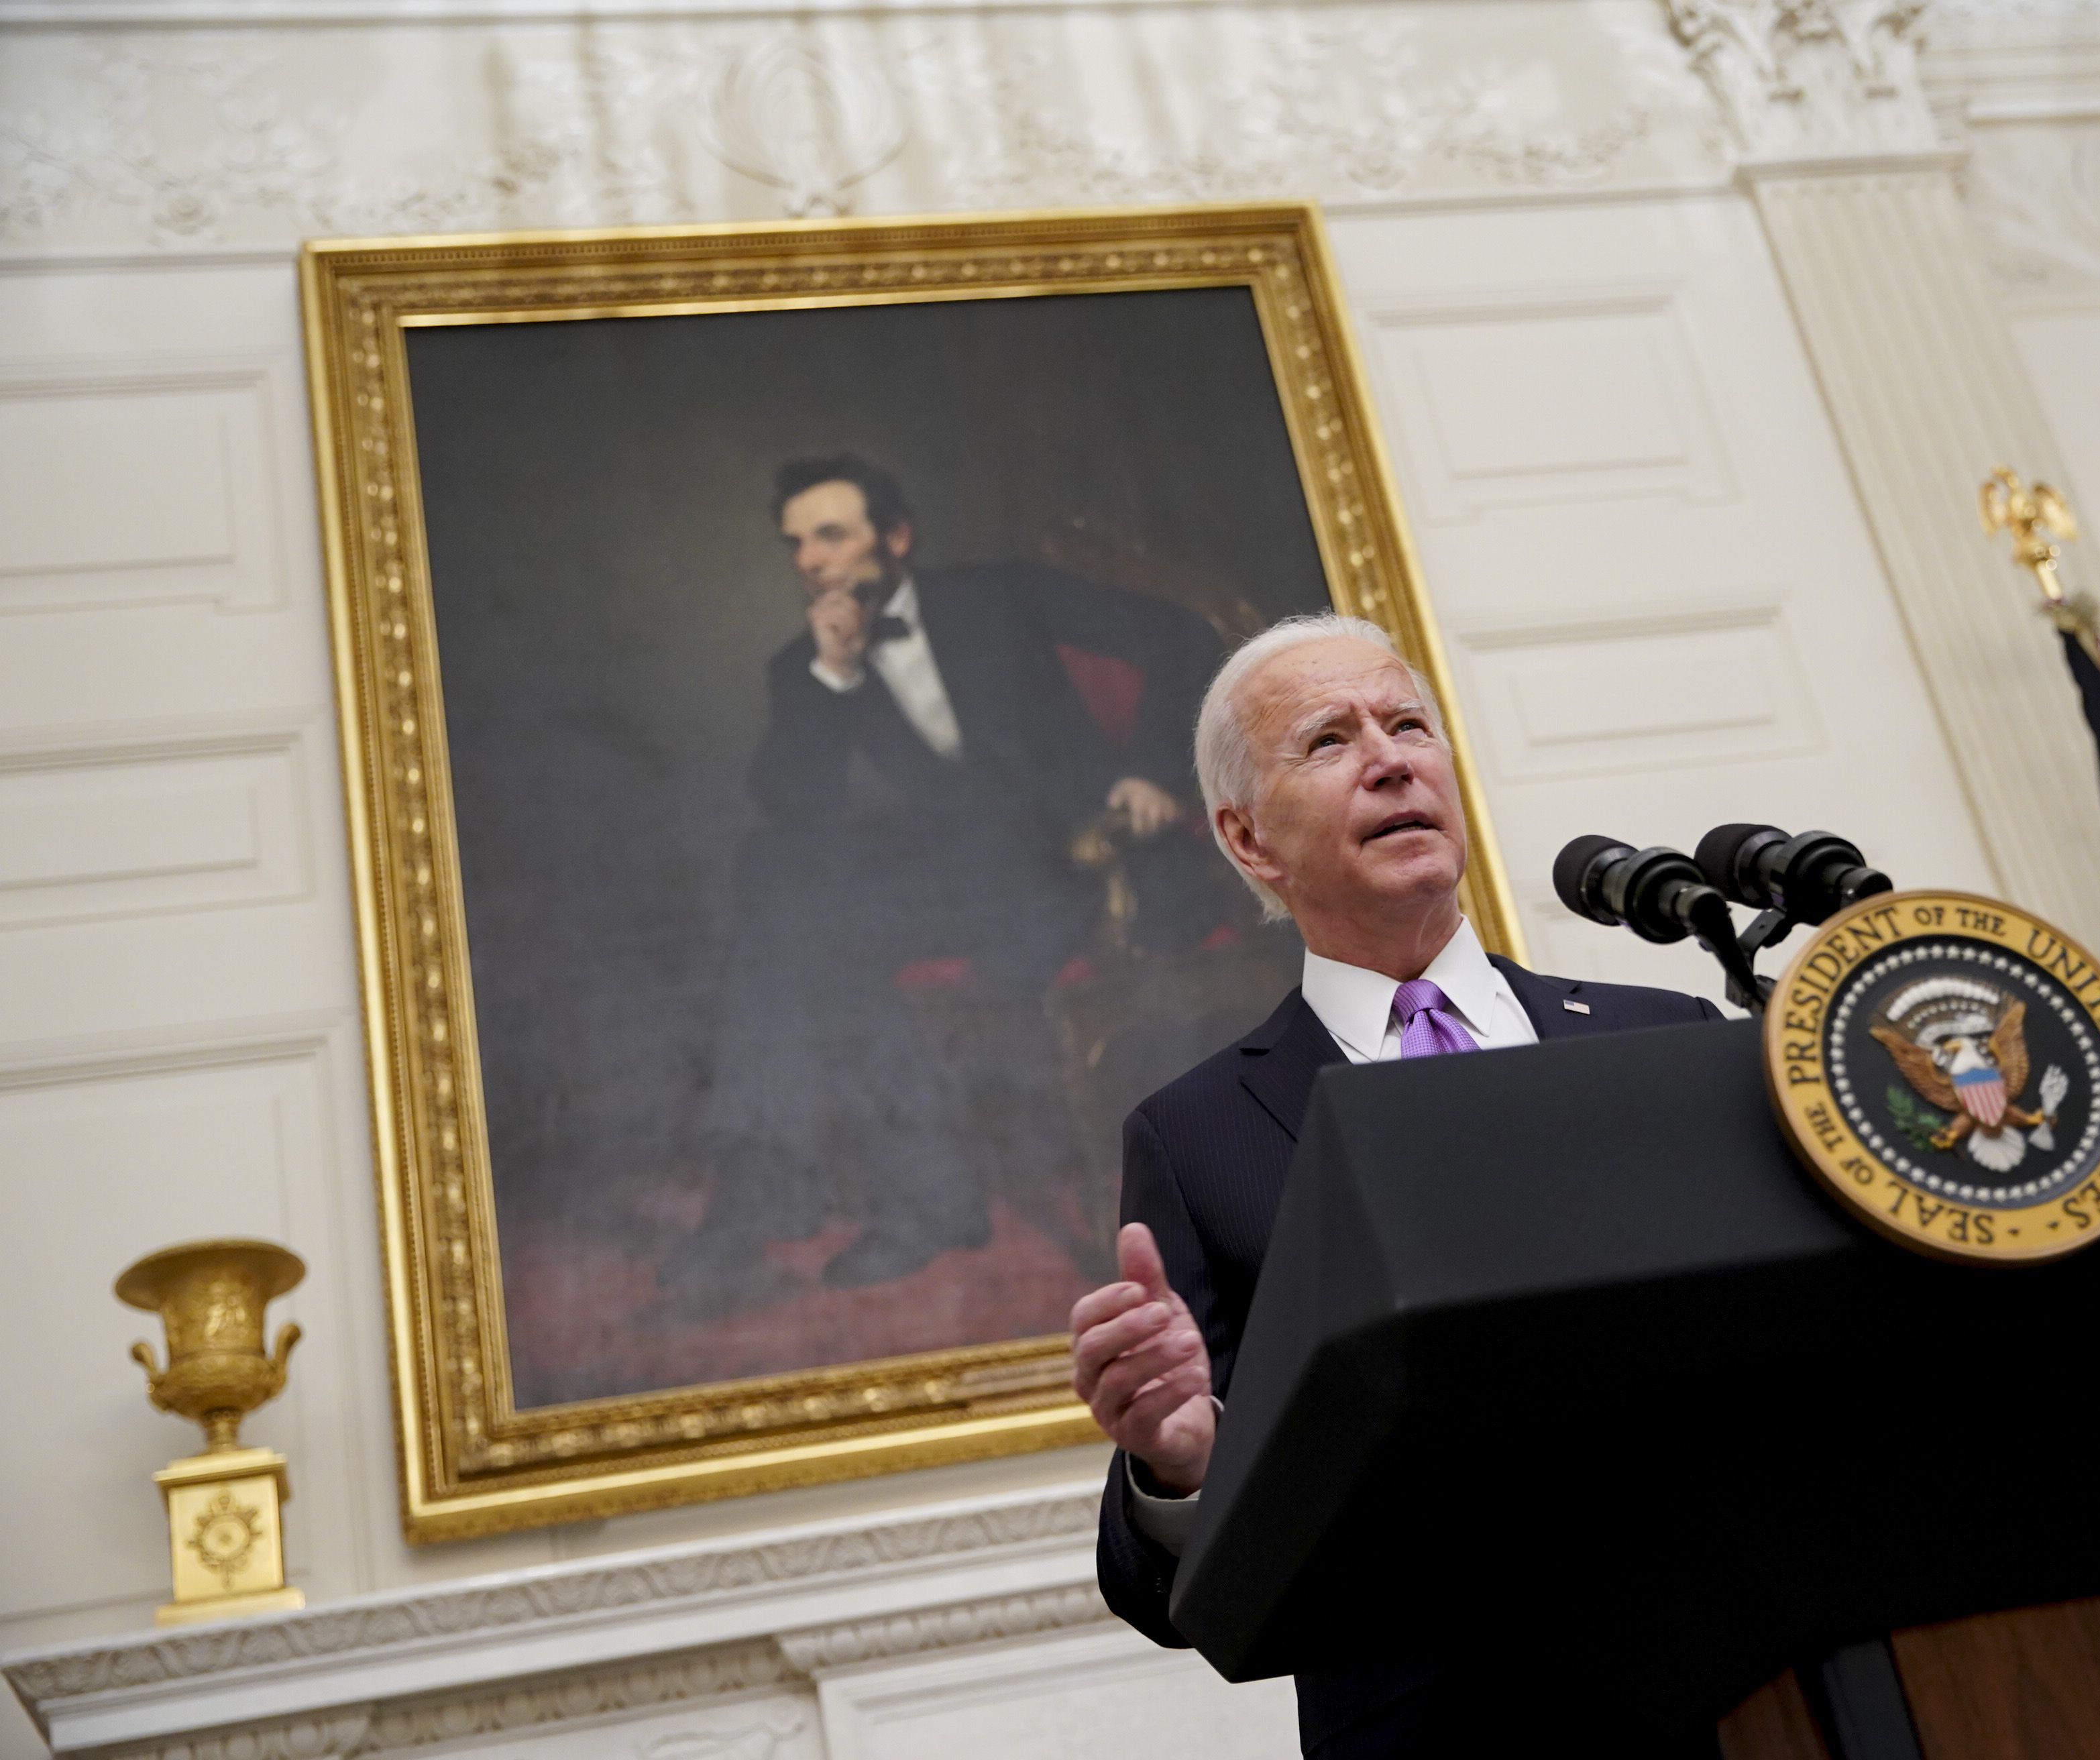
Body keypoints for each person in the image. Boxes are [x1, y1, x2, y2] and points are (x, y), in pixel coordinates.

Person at [1068, 614, 1730, 1757]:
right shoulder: (1196, 1135)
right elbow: (1159, 1587)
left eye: (1408, 723)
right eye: (1329, 739)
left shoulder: (1659, 1039)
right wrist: (1179, 1462)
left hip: (1739, 1688)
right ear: (1249, 838)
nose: (1391, 757)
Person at [673, 456, 1227, 1316]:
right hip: (973, 874)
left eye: (833, 533)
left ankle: (845, 1193)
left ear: (896, 536)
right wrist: (836, 675)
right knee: (777, 879)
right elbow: (794, 806)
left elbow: (1182, 637)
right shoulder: (806, 663)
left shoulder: (999, 594)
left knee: (803, 931)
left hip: (1088, 853)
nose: (812, 560)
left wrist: (1148, 771)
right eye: (796, 544)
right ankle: (836, 1186)